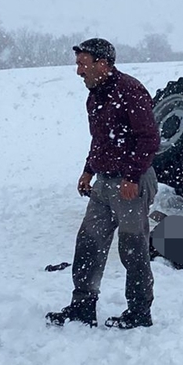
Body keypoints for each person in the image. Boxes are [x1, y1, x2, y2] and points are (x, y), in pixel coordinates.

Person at [47, 37, 160, 329]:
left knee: (132, 248)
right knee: (88, 243)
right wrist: (88, 170)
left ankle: (139, 312)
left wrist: (132, 177)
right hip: (104, 182)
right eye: (78, 65)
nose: (79, 71)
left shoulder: (131, 92)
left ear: (103, 64)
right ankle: (83, 306)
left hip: (131, 182)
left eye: (83, 64)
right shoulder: (95, 95)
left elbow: (149, 139)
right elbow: (100, 140)